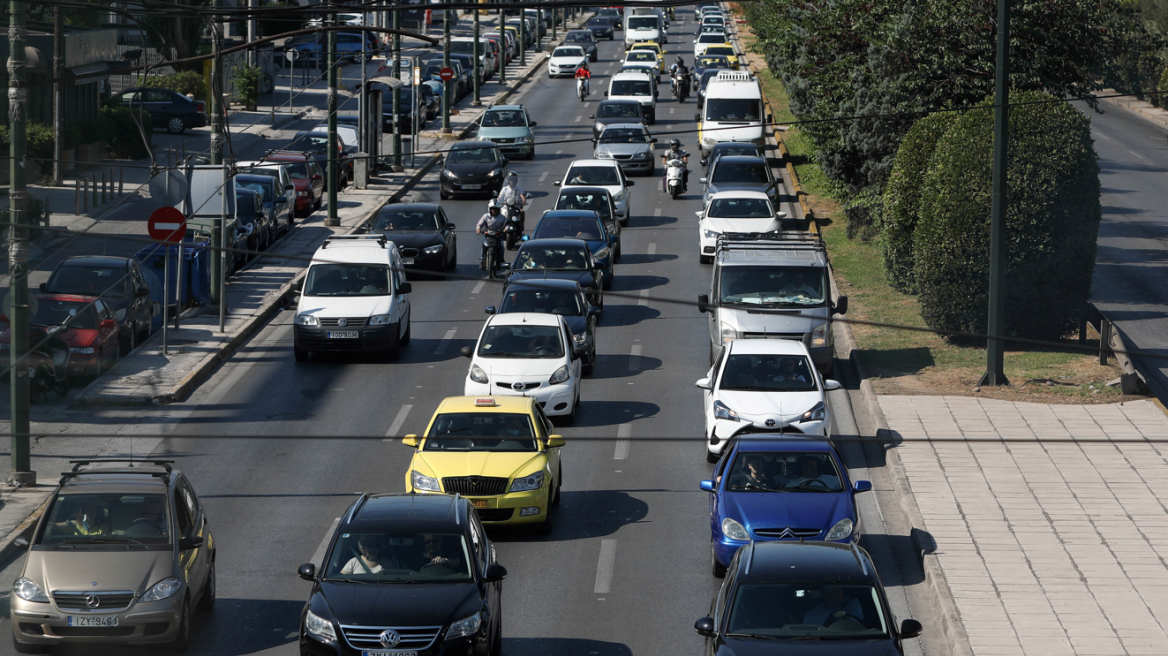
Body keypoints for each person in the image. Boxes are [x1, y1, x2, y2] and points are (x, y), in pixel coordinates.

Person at [476, 200, 507, 271]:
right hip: (488, 236)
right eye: (492, 209)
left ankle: (501, 259)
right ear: (489, 209)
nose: (494, 210)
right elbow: (479, 224)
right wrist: (478, 229)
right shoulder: (485, 216)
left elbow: (506, 225)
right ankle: (482, 260)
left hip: (498, 236)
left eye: (495, 209)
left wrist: (505, 229)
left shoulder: (502, 217)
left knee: (502, 247)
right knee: (483, 246)